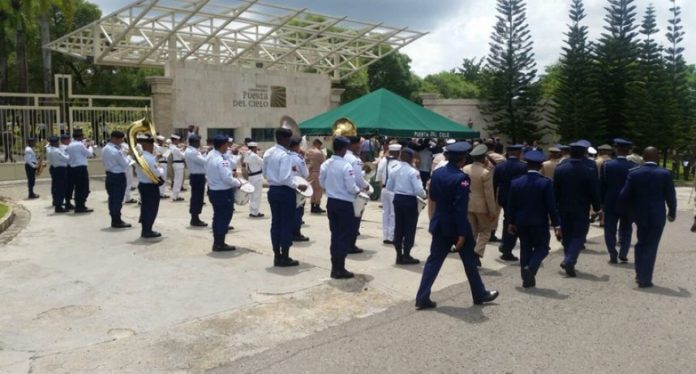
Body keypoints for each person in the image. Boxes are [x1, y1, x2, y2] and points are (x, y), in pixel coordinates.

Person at [415, 141, 499, 309]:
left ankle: (422, 296)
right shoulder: (461, 179)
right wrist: (461, 233)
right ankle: (479, 293)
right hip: (457, 225)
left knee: (433, 261)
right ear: (462, 159)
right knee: (469, 261)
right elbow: (460, 209)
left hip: (440, 222)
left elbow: (434, 198)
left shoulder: (438, 174)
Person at [618, 147, 677, 288]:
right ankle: (645, 278)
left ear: (643, 157)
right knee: (651, 246)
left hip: (639, 215)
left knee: (641, 243)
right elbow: (671, 197)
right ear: (657, 158)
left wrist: (624, 211)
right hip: (658, 216)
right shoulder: (665, 174)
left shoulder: (634, 173)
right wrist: (672, 213)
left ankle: (640, 274)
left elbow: (623, 195)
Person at [506, 151, 561, 288]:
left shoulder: (516, 183)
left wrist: (510, 222)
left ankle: (527, 280)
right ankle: (530, 268)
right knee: (543, 247)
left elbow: (511, 205)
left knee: (525, 247)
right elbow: (551, 207)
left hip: (521, 221)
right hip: (539, 222)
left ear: (526, 165)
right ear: (541, 166)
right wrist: (557, 225)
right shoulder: (546, 183)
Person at [554, 141, 601, 277]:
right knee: (579, 235)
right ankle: (570, 259)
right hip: (581, 207)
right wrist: (597, 207)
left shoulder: (560, 168)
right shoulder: (589, 171)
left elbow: (555, 191)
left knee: (567, 234)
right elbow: (594, 192)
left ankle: (569, 259)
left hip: (563, 207)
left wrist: (554, 208)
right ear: (584, 154)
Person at [263, 128, 308, 267]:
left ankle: (277, 255)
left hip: (273, 190)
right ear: (285, 139)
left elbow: (265, 173)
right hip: (285, 191)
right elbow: (285, 178)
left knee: (276, 223)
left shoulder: (268, 152)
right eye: (289, 139)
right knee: (286, 224)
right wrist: (298, 185)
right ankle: (285, 256)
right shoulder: (285, 156)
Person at [320, 137, 361, 279]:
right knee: (343, 236)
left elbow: (322, 182)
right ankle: (340, 268)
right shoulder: (346, 166)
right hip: (344, 204)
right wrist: (358, 191)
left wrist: (332, 189)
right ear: (344, 149)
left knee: (335, 235)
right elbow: (351, 187)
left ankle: (335, 267)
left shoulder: (326, 164)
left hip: (331, 202)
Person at [387, 147, 426, 265]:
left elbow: (389, 187)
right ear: (411, 158)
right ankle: (406, 255)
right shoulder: (413, 171)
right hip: (409, 200)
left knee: (399, 227)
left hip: (398, 198)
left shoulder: (394, 169)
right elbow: (419, 190)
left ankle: (399, 255)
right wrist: (425, 194)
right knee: (409, 228)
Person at [600, 138, 636, 263]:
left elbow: (602, 185)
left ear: (615, 149)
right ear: (628, 151)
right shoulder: (634, 167)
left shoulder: (606, 165)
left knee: (610, 229)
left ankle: (612, 253)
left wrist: (601, 202)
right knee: (626, 228)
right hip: (628, 202)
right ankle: (624, 252)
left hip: (610, 201)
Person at [206, 134, 242, 251]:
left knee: (217, 216)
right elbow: (227, 178)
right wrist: (239, 183)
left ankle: (217, 241)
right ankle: (219, 243)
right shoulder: (221, 160)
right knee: (224, 217)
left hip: (213, 190)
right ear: (223, 145)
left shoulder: (211, 155)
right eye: (227, 144)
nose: (228, 146)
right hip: (222, 192)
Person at [463, 144, 497, 265]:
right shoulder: (485, 173)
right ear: (484, 158)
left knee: (472, 231)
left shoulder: (465, 169)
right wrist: (492, 211)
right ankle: (477, 252)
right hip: (482, 207)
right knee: (486, 231)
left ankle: (471, 253)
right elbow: (489, 194)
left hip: (468, 204)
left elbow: (463, 187)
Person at [493, 144, 527, 261]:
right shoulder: (523, 167)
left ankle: (505, 244)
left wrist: (494, 199)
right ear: (518, 153)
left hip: (503, 198)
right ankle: (507, 249)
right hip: (518, 199)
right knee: (513, 223)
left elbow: (494, 184)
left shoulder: (500, 166)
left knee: (507, 220)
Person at [135, 134, 165, 238]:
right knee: (151, 208)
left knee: (145, 208)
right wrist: (161, 168)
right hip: (150, 186)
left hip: (143, 184)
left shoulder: (140, 156)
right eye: (152, 146)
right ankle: (147, 230)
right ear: (148, 145)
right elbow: (158, 172)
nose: (153, 148)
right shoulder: (151, 159)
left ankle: (145, 229)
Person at [101, 130, 132, 229]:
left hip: (110, 175)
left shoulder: (106, 148)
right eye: (120, 139)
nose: (121, 141)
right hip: (117, 176)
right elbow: (125, 163)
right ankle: (116, 221)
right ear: (115, 138)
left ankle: (115, 219)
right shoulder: (115, 151)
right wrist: (130, 157)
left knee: (113, 198)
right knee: (117, 199)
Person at [345, 136, 369, 253]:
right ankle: (351, 245)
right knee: (355, 219)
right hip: (355, 193)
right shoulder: (355, 159)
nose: (360, 147)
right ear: (352, 145)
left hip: (341, 194)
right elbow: (358, 179)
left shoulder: (341, 156)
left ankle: (344, 243)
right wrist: (366, 186)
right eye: (358, 144)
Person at [376, 143, 402, 244]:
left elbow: (378, 177)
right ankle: (391, 236)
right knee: (393, 214)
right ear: (398, 153)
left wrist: (382, 189)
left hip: (384, 189)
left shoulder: (383, 161)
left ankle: (385, 235)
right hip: (394, 190)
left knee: (385, 213)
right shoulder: (399, 164)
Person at [66, 130, 94, 213]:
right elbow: (89, 154)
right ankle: (81, 206)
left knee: (78, 188)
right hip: (81, 168)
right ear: (80, 137)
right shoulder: (80, 144)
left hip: (72, 168)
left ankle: (78, 205)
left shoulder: (70, 145)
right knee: (84, 188)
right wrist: (90, 146)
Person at [184, 134, 208, 227]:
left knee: (197, 197)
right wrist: (208, 153)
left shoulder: (192, 151)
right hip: (197, 177)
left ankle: (195, 217)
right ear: (194, 142)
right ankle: (195, 218)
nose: (200, 144)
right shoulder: (192, 152)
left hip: (197, 176)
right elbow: (204, 161)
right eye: (198, 142)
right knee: (197, 198)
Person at [289, 137, 310, 242]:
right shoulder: (298, 158)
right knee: (298, 211)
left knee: (288, 211)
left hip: (287, 186)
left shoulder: (284, 156)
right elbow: (306, 174)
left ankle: (288, 232)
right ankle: (296, 233)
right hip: (298, 187)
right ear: (296, 146)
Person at [46, 136, 69, 213]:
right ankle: (58, 206)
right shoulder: (56, 151)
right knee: (61, 188)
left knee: (55, 186)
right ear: (55, 143)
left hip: (54, 169)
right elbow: (66, 159)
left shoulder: (49, 150)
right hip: (60, 170)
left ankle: (56, 202)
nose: (59, 143)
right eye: (58, 142)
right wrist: (68, 154)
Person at [306, 139, 326, 214]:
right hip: (317, 172)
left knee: (312, 190)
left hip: (310, 173)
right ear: (318, 144)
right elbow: (323, 163)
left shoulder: (307, 152)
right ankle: (317, 206)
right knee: (318, 190)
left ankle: (312, 206)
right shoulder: (318, 153)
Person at [245, 142, 265, 218]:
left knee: (252, 194)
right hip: (256, 176)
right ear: (254, 148)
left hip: (250, 176)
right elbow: (263, 163)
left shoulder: (247, 154)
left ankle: (252, 210)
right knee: (257, 194)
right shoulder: (254, 156)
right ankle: (255, 212)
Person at [59, 134, 75, 210]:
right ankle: (67, 202)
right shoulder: (66, 148)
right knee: (69, 186)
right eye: (68, 140)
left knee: (66, 186)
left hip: (63, 168)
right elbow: (69, 158)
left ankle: (65, 201)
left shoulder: (59, 147)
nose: (70, 141)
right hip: (68, 167)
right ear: (64, 140)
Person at [169, 134, 186, 202]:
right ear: (175, 140)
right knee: (178, 181)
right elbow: (183, 156)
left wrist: (182, 149)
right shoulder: (175, 148)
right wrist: (184, 150)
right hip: (178, 164)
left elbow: (179, 152)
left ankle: (176, 195)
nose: (178, 141)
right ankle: (175, 196)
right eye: (177, 140)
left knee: (177, 180)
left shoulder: (173, 147)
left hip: (177, 164)